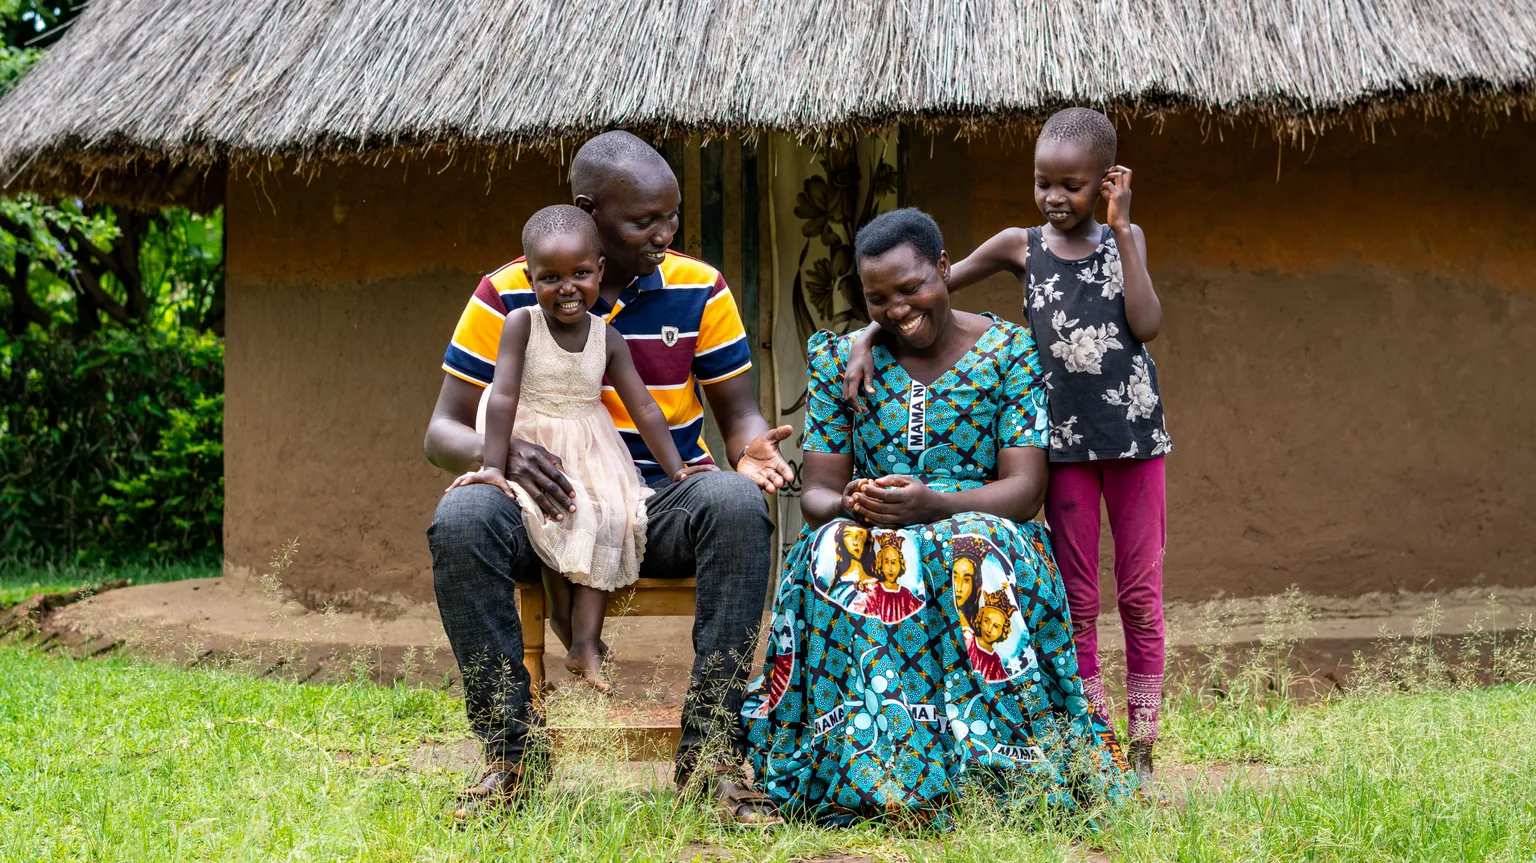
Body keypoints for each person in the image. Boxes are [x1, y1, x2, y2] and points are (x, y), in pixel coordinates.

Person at [424, 132, 794, 823]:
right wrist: (498, 455)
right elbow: (441, 432)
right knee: (461, 521)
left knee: (737, 502)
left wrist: (753, 453)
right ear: (588, 210)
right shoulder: (510, 290)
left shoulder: (698, 287)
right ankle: (511, 757)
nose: (665, 234)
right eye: (644, 221)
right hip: (545, 510)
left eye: (671, 217)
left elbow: (740, 414)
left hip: (658, 503)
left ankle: (712, 755)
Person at [742, 208, 1138, 822]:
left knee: (969, 548)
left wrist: (934, 505)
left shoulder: (1009, 354)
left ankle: (999, 772)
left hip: (985, 524)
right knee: (828, 552)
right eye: (878, 299)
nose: (898, 308)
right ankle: (867, 773)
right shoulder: (839, 361)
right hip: (876, 528)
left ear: (946, 270)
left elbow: (1025, 490)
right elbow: (818, 494)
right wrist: (855, 505)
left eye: (911, 288)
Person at [842, 108, 1171, 781]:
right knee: (1078, 596)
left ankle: (1144, 738)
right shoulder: (1021, 245)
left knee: (1138, 593)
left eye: (1073, 185)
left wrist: (1123, 230)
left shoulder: (1123, 237)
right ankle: (1096, 730)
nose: (1055, 198)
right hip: (1067, 449)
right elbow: (927, 289)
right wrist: (870, 334)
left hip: (1135, 441)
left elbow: (1147, 321)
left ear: (1106, 182)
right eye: (1043, 182)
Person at [447, 205, 716, 691]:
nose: (567, 287)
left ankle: (587, 644)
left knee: (607, 516)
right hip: (536, 441)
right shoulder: (521, 325)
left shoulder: (607, 338)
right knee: (553, 520)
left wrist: (678, 471)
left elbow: (645, 409)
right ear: (530, 279)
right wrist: (493, 464)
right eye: (551, 277)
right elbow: (503, 394)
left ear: (600, 272)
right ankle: (565, 629)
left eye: (581, 274)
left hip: (590, 446)